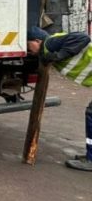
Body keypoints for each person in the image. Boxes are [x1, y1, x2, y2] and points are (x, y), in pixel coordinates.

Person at [27, 26, 92, 171]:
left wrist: (59, 55)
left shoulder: (50, 43)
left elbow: (83, 38)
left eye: (28, 44)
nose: (28, 50)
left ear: (37, 41)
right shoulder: (48, 48)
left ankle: (91, 159)